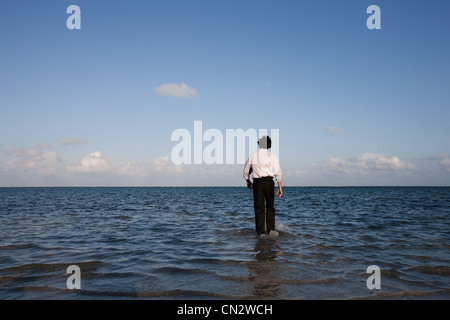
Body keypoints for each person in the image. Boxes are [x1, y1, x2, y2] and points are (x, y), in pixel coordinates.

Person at [243, 136, 282, 236]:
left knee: (259, 208)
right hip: (269, 182)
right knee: (270, 207)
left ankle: (261, 233)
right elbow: (278, 172)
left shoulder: (253, 156)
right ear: (269, 145)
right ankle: (271, 230)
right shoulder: (272, 156)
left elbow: (246, 171)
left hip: (257, 183)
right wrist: (280, 187)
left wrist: (248, 181)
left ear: (259, 144)